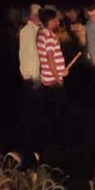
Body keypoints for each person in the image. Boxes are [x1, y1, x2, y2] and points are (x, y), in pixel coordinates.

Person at [37, 8, 68, 142]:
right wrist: (58, 77)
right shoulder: (49, 37)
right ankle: (57, 139)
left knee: (50, 111)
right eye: (55, 19)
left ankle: (50, 137)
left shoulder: (42, 34)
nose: (58, 22)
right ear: (50, 21)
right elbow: (50, 59)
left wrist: (62, 71)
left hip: (48, 79)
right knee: (57, 111)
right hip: (54, 81)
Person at [19, 3, 41, 142]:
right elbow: (29, 57)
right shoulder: (28, 32)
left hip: (34, 77)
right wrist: (35, 78)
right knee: (32, 111)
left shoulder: (35, 31)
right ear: (34, 16)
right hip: (31, 78)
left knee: (35, 110)